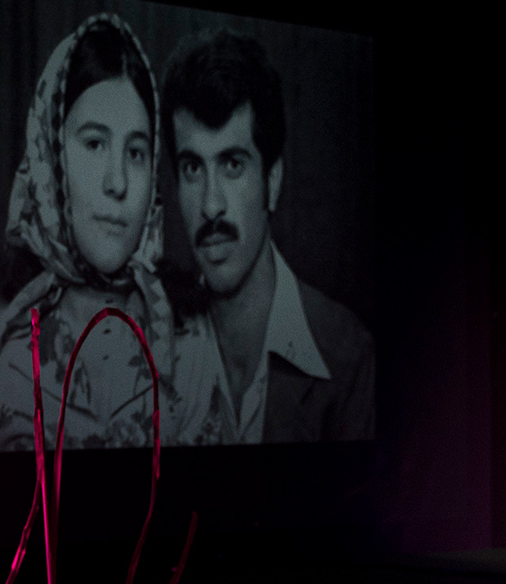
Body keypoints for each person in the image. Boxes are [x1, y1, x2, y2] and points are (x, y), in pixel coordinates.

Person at [0, 14, 191, 452]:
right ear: (51, 158)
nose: (118, 183)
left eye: (135, 152)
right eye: (94, 144)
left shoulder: (191, 341)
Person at [160, 30, 375, 443]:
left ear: (272, 182)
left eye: (233, 164)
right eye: (192, 168)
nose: (210, 206)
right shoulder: (156, 348)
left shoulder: (348, 358)